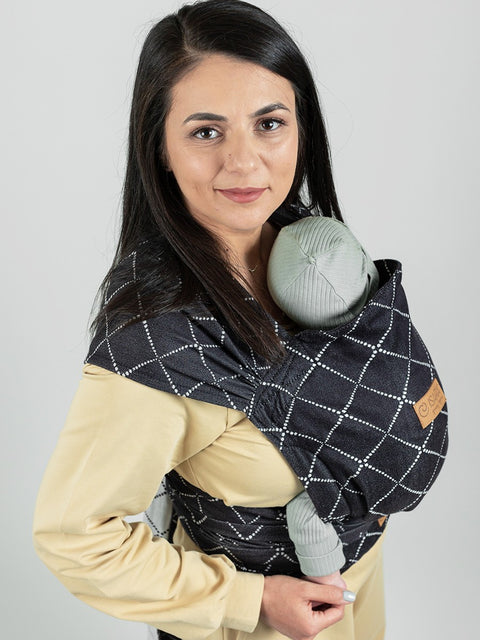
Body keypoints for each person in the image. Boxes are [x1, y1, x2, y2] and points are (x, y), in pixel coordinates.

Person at [33, 2, 448, 640]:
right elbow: (75, 537)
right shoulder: (157, 337)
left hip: (360, 596)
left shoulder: (308, 247)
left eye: (269, 124)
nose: (245, 162)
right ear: (160, 147)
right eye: (206, 132)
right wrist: (251, 599)